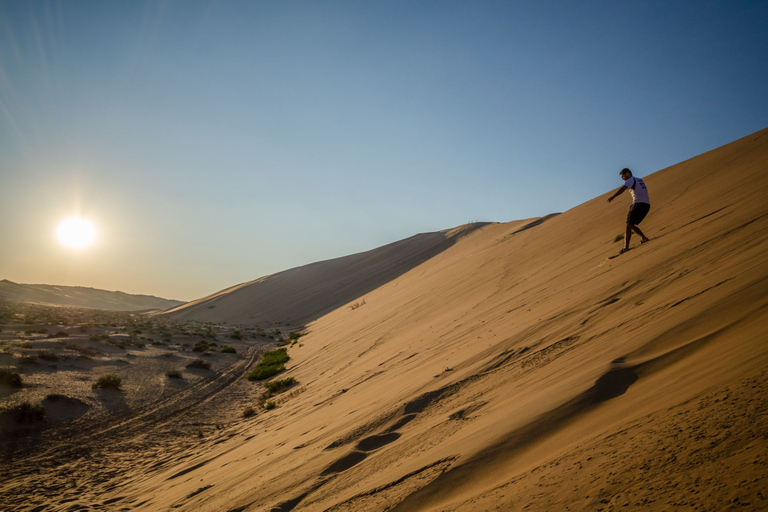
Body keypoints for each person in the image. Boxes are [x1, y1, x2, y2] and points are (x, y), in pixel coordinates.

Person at [607, 167, 650, 253]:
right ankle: (644, 238)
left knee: (628, 225)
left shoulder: (630, 180)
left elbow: (623, 189)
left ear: (627, 174)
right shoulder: (639, 180)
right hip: (646, 204)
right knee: (631, 225)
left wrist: (613, 196)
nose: (623, 179)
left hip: (639, 204)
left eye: (623, 177)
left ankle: (626, 247)